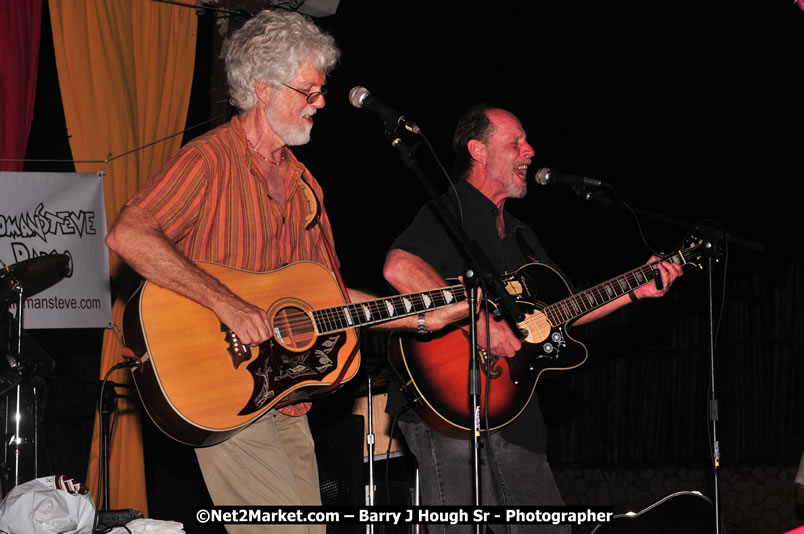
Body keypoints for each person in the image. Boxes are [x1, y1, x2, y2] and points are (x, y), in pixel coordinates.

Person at [105, 10, 466, 534]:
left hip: (283, 393)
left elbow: (329, 298)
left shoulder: (304, 185)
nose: (321, 103)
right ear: (262, 88)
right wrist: (227, 303)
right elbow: (129, 234)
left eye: (320, 90)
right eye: (308, 91)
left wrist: (422, 317)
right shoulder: (209, 161)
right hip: (217, 383)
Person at [382, 105, 684, 534]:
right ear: (478, 151)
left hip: (517, 415)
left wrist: (635, 290)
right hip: (448, 408)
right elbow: (399, 267)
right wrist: (480, 326)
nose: (530, 149)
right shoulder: (451, 212)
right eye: (516, 142)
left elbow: (561, 314)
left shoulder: (523, 235)